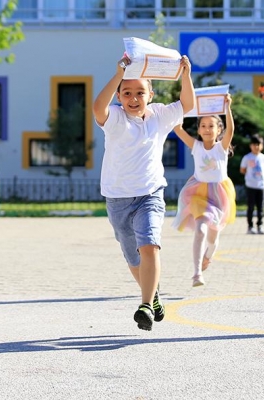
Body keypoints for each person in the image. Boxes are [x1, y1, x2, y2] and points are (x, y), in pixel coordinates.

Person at [92, 52, 195, 331]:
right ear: (119, 96)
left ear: (151, 94)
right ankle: (154, 295)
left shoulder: (160, 115)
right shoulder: (115, 117)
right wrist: (118, 74)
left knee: (149, 245)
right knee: (132, 257)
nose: (134, 98)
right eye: (127, 93)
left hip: (150, 194)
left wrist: (186, 75)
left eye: (140, 92)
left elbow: (187, 104)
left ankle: (146, 305)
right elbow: (98, 107)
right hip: (117, 199)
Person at [171, 94, 236, 287]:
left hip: (219, 195)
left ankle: (209, 255)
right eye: (203, 126)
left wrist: (227, 107)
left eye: (211, 126)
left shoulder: (221, 148)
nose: (207, 129)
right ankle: (197, 273)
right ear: (198, 129)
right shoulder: (196, 146)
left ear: (219, 130)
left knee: (213, 238)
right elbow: (178, 129)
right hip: (198, 194)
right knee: (200, 230)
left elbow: (231, 129)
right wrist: (181, 108)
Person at [239, 134, 264, 235]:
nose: (256, 147)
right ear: (250, 146)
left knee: (260, 207)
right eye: (254, 144)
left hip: (261, 186)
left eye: (258, 144)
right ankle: (250, 226)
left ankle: (260, 225)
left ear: (262, 146)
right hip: (250, 185)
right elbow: (242, 170)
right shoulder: (247, 157)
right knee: (250, 207)